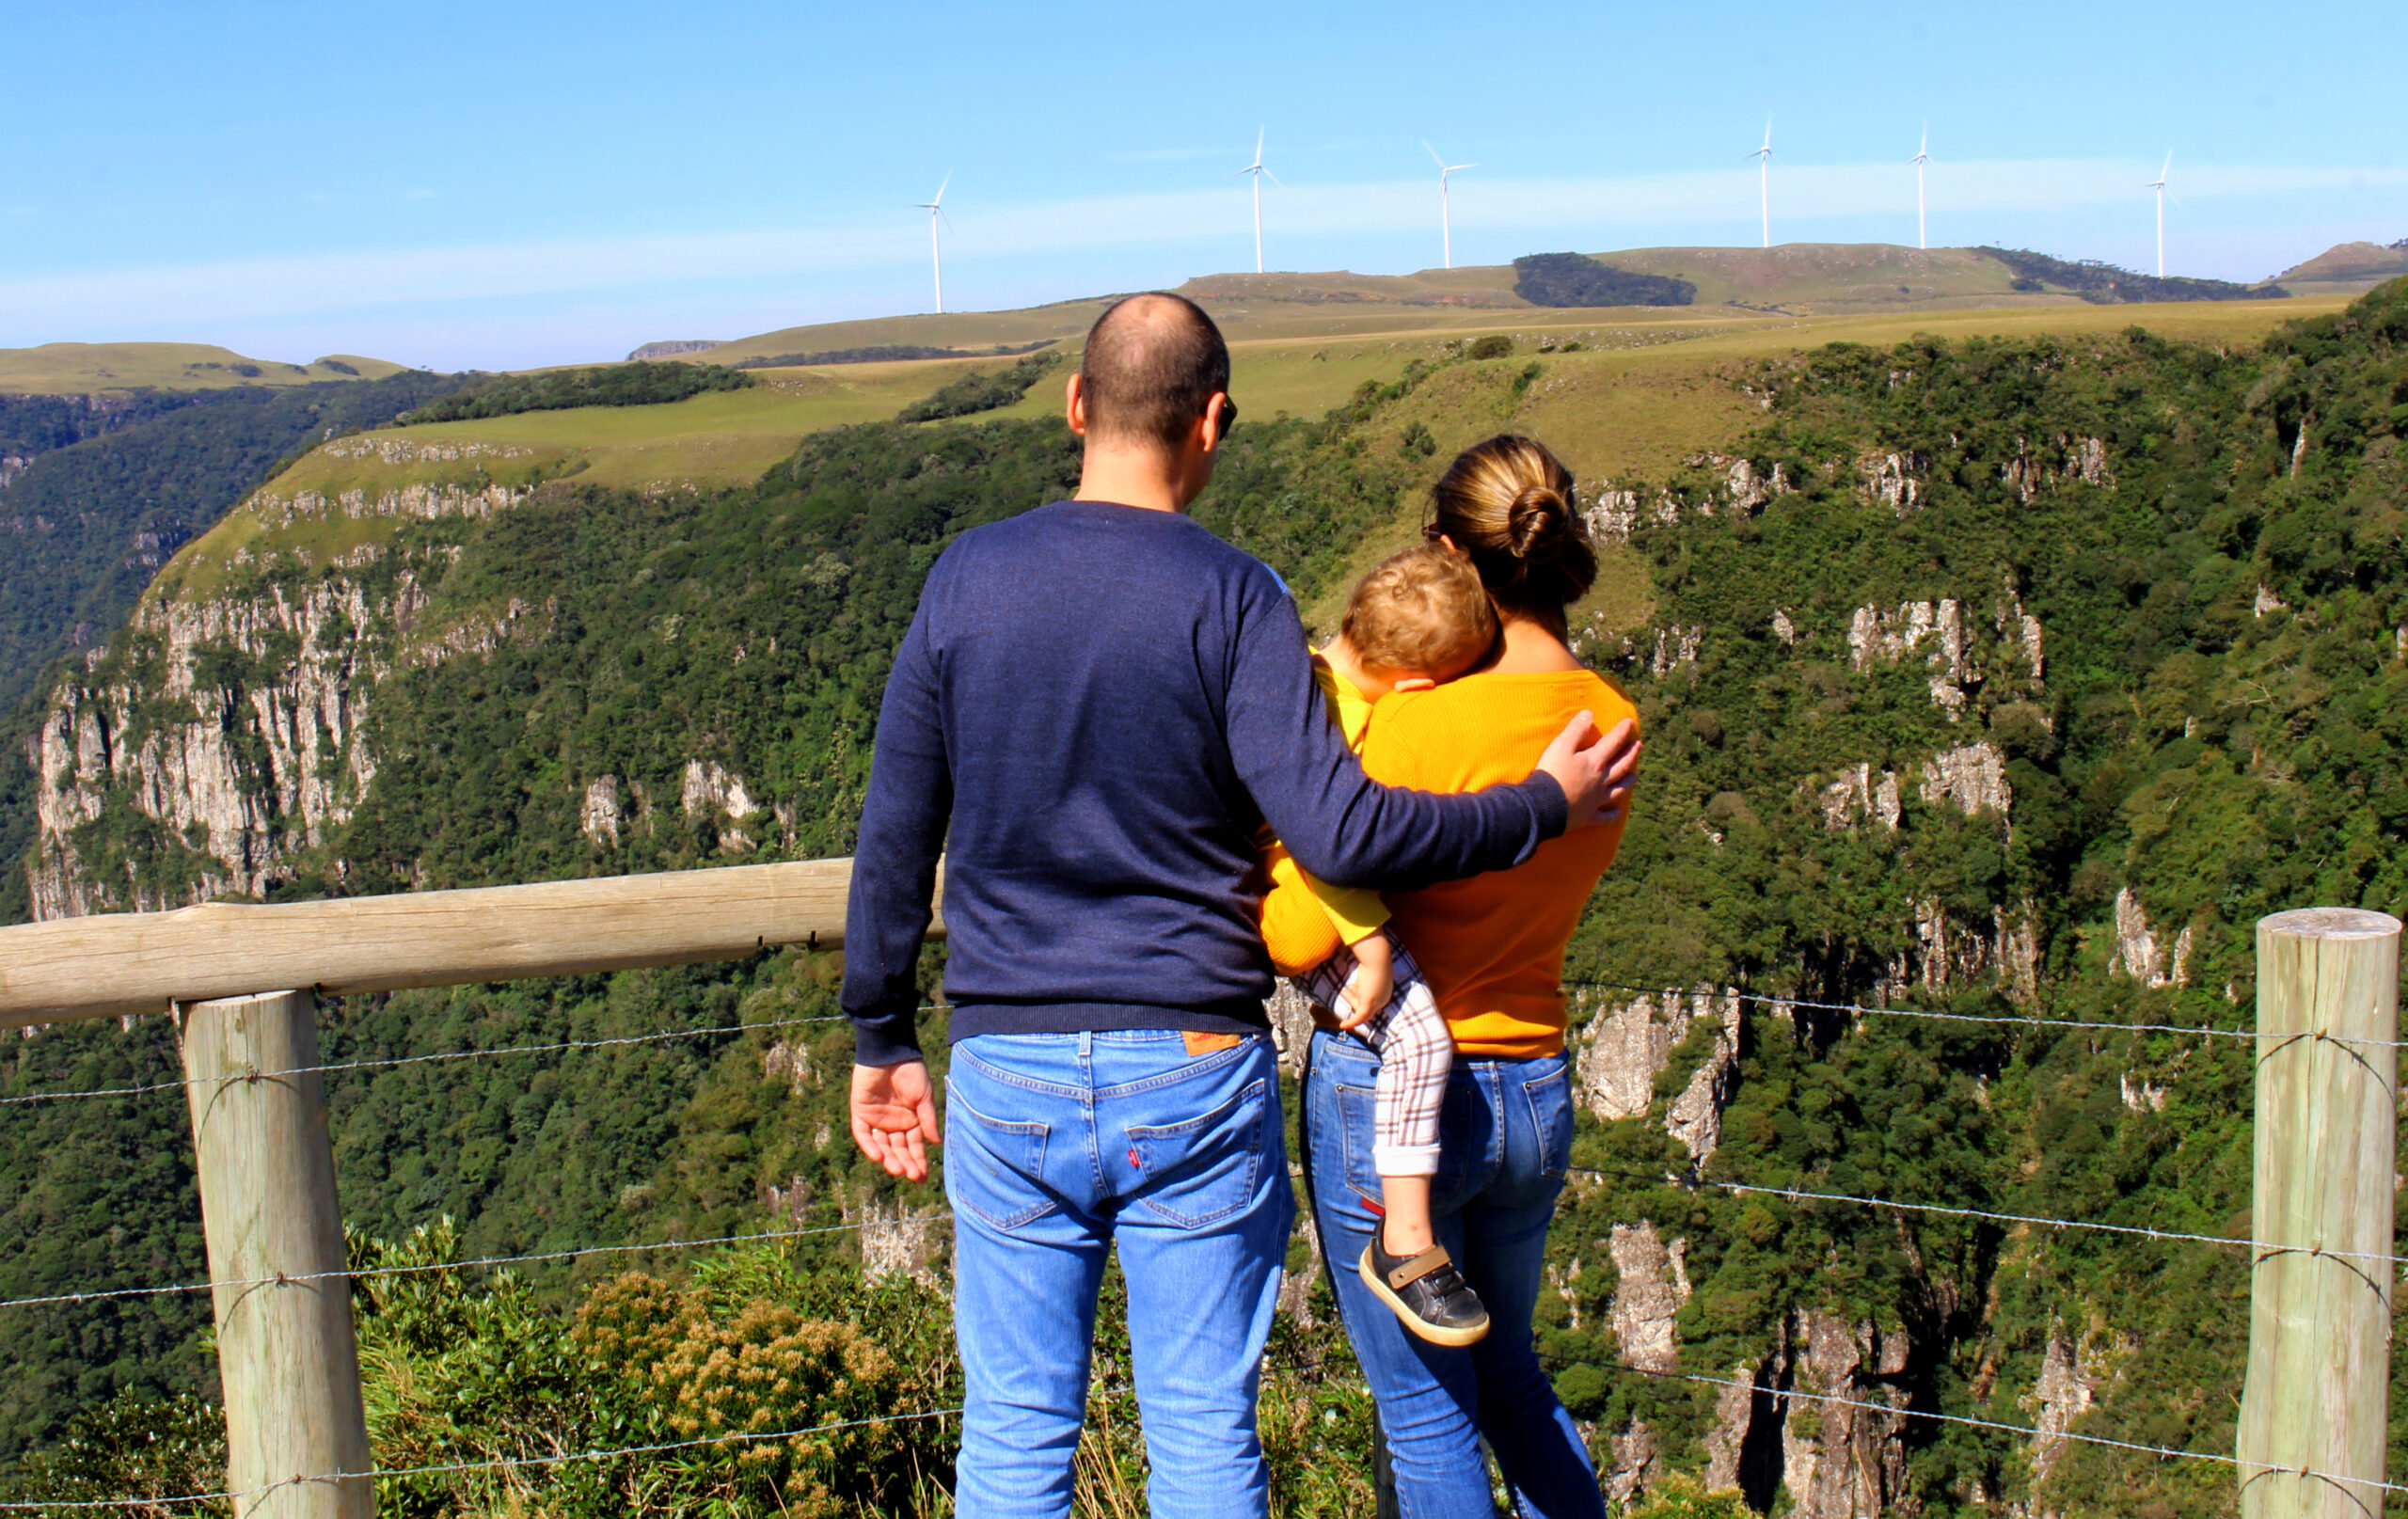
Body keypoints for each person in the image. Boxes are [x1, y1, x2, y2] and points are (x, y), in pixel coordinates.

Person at [841, 295, 1640, 1519]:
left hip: (1008, 1058)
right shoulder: (1240, 597)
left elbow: (897, 826)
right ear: (1212, 420)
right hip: (1194, 1056)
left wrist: (880, 1031)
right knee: (1206, 1434)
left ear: (1075, 406)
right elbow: (1344, 832)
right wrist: (1538, 801)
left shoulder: (967, 577)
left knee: (1012, 1433)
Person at [1302, 435, 1641, 1519]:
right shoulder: (1610, 722)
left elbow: (1298, 892)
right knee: (1514, 1379)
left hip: (1398, 1103)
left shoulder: (1405, 724)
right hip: (1535, 1082)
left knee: (1426, 1415)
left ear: (1447, 552)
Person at [1256, 545, 1502, 1346]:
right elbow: (1322, 840)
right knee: (1420, 1035)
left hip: (1305, 899)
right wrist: (1370, 944)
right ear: (1420, 688)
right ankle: (1402, 1240)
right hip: (1304, 910)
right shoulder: (1339, 722)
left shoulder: (1303, 674)